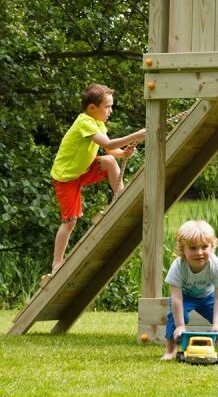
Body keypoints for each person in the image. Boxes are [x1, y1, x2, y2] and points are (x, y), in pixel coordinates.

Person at [48, 83, 146, 276]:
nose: (110, 110)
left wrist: (122, 153)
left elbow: (110, 150)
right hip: (66, 178)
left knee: (109, 161)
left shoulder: (98, 123)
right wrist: (138, 134)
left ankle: (121, 196)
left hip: (82, 170)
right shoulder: (85, 122)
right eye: (107, 106)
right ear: (92, 108)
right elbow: (108, 143)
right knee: (70, 222)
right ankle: (57, 262)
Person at [161, 220, 218, 361]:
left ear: (212, 246)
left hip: (209, 296)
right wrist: (180, 325)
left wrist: (216, 325)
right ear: (183, 249)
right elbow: (176, 298)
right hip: (185, 296)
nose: (199, 252)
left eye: (204, 247)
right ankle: (170, 351)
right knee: (173, 317)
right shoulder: (178, 266)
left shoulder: (216, 266)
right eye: (193, 248)